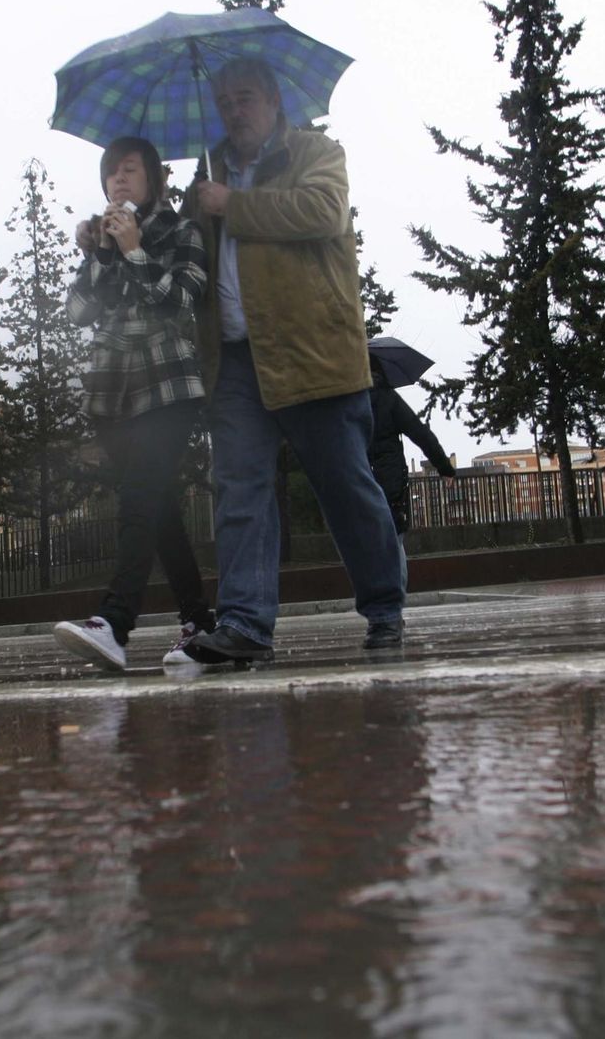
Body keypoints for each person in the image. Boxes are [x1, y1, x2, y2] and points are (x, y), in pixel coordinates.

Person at [181, 56, 406, 663]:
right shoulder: (207, 178)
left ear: (274, 100)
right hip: (232, 362)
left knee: (347, 488)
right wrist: (117, 237)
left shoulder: (315, 153)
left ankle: (385, 610)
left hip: (314, 353)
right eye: (225, 102)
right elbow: (178, 255)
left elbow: (323, 213)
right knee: (239, 494)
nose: (234, 111)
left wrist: (236, 205)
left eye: (245, 97)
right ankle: (246, 626)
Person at [52, 136, 217, 671]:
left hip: (167, 384)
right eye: (111, 173)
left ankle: (114, 623)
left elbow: (182, 299)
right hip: (111, 392)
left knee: (139, 499)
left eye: (130, 170)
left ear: (153, 179)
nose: (119, 180)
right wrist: (99, 253)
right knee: (157, 507)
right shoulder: (101, 239)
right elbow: (78, 310)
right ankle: (200, 623)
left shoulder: (180, 231)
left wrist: (134, 252)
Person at [367, 355, 456, 585]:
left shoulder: (351, 403)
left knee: (370, 543)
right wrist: (444, 468)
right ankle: (395, 606)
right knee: (395, 542)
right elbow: (420, 434)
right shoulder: (390, 399)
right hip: (392, 481)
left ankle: (377, 600)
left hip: (363, 479)